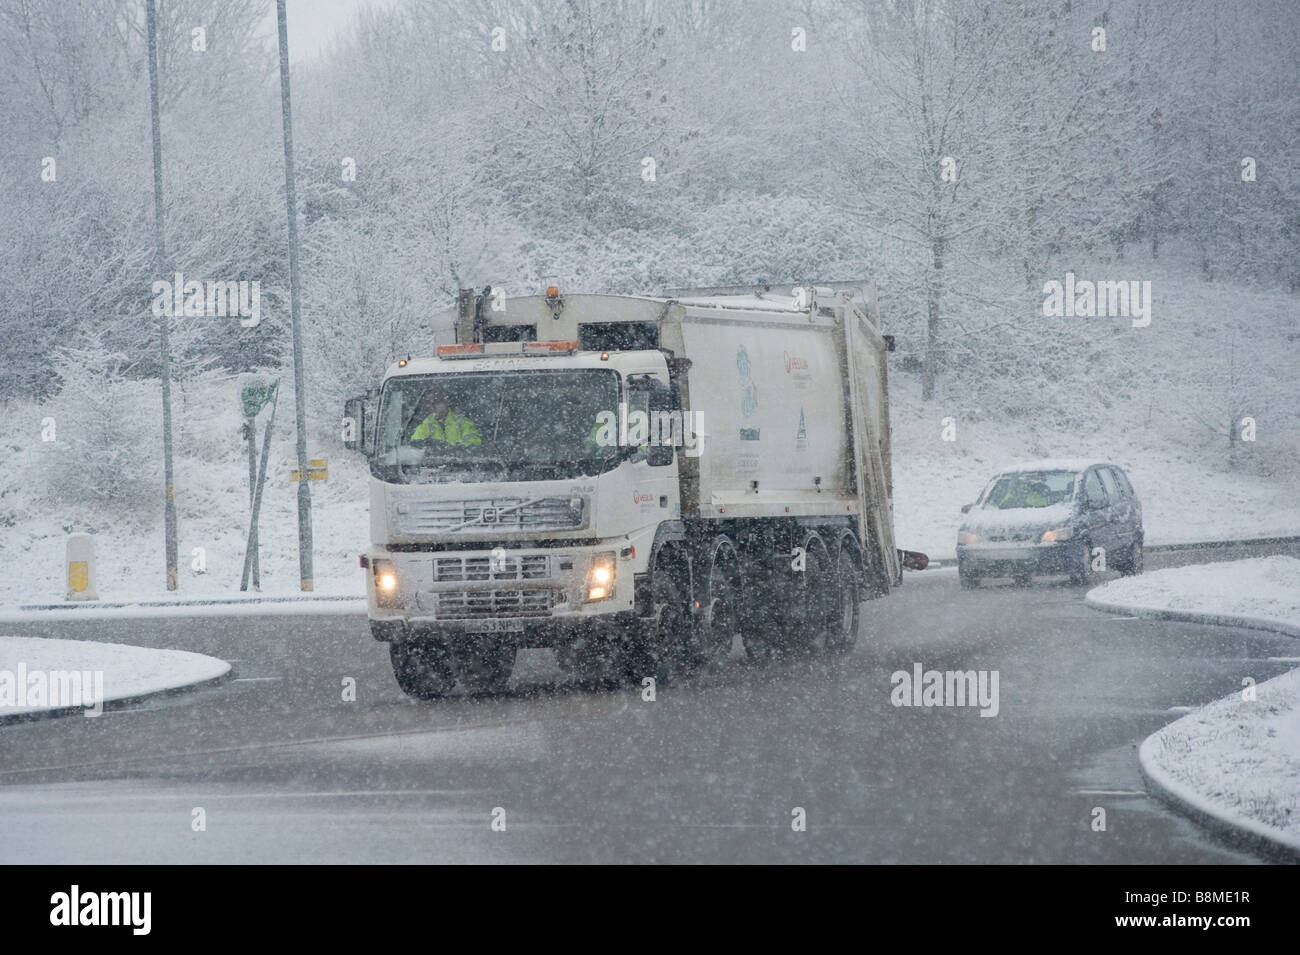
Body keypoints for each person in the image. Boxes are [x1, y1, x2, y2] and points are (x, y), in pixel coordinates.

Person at [409, 389, 481, 446]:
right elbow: (414, 448)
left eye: (437, 401)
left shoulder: (464, 423)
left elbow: (473, 446)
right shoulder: (425, 426)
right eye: (431, 402)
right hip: (429, 465)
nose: (433, 405)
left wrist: (445, 449)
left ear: (447, 402)